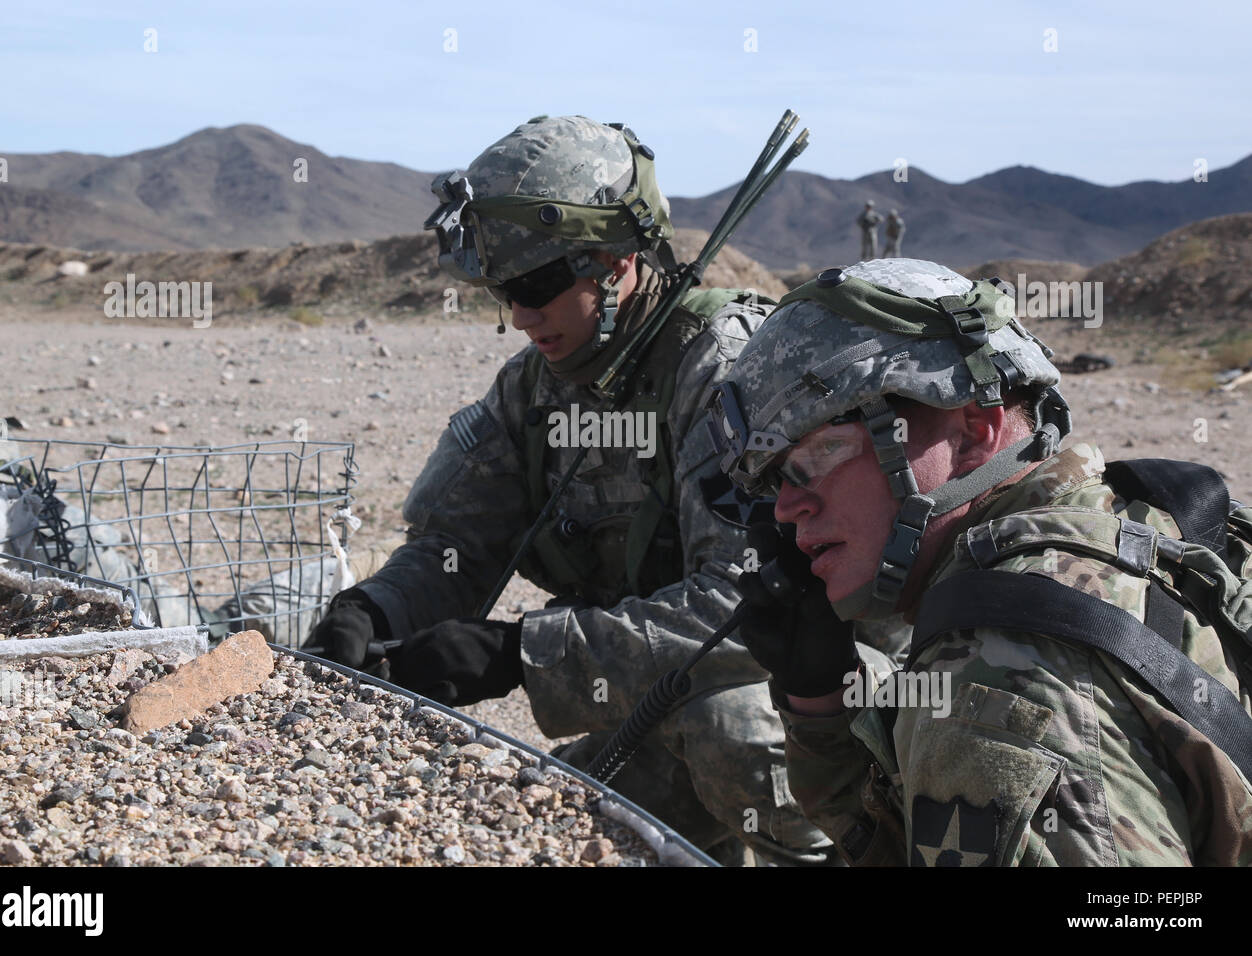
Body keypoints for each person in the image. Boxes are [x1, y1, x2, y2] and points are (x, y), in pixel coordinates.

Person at [308, 115, 878, 863]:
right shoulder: (535, 390)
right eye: (503, 289)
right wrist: (372, 608)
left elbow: (739, 611)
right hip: (657, 703)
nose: (521, 314)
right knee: (547, 835)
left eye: (540, 284)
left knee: (730, 728)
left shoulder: (726, 374)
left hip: (818, 704)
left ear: (615, 262)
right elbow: (458, 547)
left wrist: (519, 655)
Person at [709, 257, 1252, 865]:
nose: (786, 508)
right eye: (779, 476)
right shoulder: (1132, 521)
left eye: (821, 452)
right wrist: (821, 704)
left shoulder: (996, 679)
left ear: (972, 430)